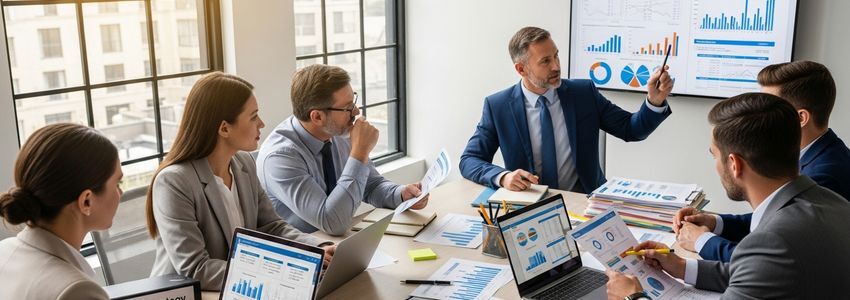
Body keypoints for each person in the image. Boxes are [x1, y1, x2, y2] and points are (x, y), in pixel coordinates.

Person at [606, 92, 850, 299]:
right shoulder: (834, 203)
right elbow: (757, 273)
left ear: (734, 164)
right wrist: (681, 267)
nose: (715, 164)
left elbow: (761, 265)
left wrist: (633, 296)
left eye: (714, 155)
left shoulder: (772, 240)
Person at [146, 72, 334, 290]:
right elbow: (196, 269)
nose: (261, 124)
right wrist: (282, 272)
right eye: (253, 117)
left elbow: (271, 226)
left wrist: (317, 248)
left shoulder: (244, 163)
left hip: (240, 289)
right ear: (224, 128)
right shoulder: (174, 182)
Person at [459, 26, 673, 193]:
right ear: (521, 69)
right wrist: (503, 177)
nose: (556, 66)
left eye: (556, 56)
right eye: (545, 61)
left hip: (585, 203)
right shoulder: (498, 106)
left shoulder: (583, 94)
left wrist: (654, 101)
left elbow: (631, 129)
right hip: (530, 209)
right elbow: (469, 160)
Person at [674, 61, 850, 262]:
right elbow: (771, 218)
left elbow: (763, 257)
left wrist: (702, 241)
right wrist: (715, 223)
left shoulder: (825, 176)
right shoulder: (823, 153)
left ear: (800, 118)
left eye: (770, 105)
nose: (758, 113)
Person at [256, 64, 428, 236]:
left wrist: (400, 194)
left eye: (353, 102)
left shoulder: (337, 131)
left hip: (336, 242)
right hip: (302, 247)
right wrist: (359, 152)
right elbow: (332, 223)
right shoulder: (280, 158)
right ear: (317, 117)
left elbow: (371, 185)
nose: (356, 111)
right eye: (347, 108)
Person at [0, 123, 123, 299]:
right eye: (117, 184)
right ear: (86, 201)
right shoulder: (77, 291)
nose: (121, 193)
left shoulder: (3, 250)